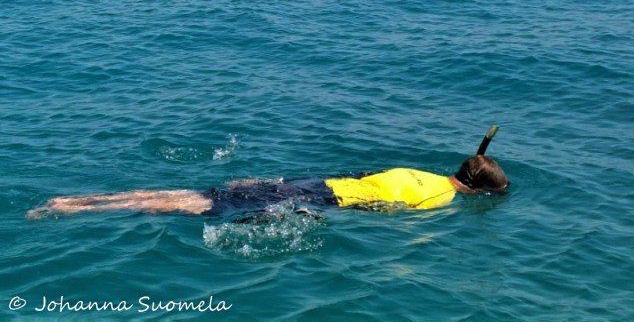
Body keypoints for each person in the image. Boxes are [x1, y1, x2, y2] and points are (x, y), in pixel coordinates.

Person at [28, 128, 508, 220]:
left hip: (318, 183)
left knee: (198, 191)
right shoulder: (439, 204)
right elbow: (391, 219)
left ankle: (80, 198)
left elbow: (375, 178)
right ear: (478, 192)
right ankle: (69, 210)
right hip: (323, 202)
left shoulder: (416, 170)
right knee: (199, 205)